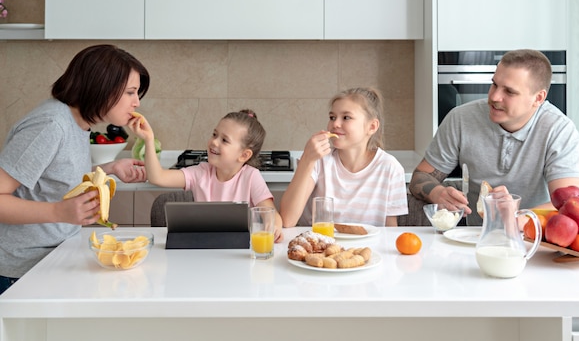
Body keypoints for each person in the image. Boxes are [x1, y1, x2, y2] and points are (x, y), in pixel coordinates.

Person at [0, 44, 150, 295]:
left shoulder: (78, 122)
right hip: (19, 272)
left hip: (50, 260)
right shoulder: (51, 125)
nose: (136, 102)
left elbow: (48, 177)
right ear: (101, 87)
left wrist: (109, 168)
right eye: (131, 92)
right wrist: (58, 211)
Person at [406, 49, 579, 226]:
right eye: (494, 84)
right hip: (474, 238)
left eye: (509, 92)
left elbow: (571, 205)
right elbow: (420, 177)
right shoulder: (460, 119)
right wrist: (437, 193)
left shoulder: (559, 130)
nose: (494, 96)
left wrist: (515, 219)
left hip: (533, 241)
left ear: (538, 98)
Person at [129, 109, 283, 242]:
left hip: (238, 252)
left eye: (224, 140)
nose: (214, 142)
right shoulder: (200, 173)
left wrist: (273, 227)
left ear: (244, 155)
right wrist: (148, 139)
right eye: (214, 134)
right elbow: (158, 177)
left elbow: (271, 214)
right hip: (203, 248)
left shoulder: (251, 177)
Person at [280, 87, 408, 227]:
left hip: (368, 247)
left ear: (372, 126)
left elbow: (391, 230)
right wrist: (307, 160)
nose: (335, 124)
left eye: (346, 117)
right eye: (332, 117)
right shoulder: (319, 161)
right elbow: (287, 220)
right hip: (320, 246)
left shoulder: (390, 168)